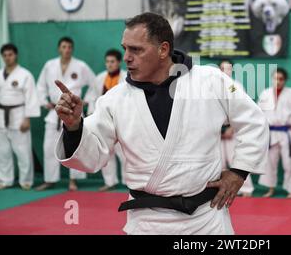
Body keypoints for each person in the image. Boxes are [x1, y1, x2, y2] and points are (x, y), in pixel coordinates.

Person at [53, 12, 269, 235]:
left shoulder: (210, 81)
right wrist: (74, 126)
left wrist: (239, 171)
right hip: (147, 223)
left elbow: (254, 121)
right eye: (125, 48)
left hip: (206, 219)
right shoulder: (114, 99)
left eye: (136, 49)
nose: (126, 57)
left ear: (163, 50)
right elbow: (92, 158)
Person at [35, 37, 95, 191]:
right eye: (64, 46)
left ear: (72, 49)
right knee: (49, 147)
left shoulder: (80, 66)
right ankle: (50, 179)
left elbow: (94, 83)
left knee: (75, 146)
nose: (67, 49)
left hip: (73, 112)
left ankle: (73, 179)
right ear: (59, 48)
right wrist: (43, 101)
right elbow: (40, 86)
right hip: (54, 111)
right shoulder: (49, 65)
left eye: (69, 47)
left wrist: (87, 100)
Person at [258, 68, 291, 198]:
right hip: (271, 131)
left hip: (287, 131)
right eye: (275, 78)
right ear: (272, 79)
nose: (278, 81)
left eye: (281, 79)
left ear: (285, 80)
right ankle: (270, 188)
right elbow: (259, 112)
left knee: (289, 162)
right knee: (270, 162)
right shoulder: (265, 94)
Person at [0, 44, 40, 190]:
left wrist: (27, 118)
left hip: (19, 115)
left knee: (22, 150)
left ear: (16, 55)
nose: (7, 58)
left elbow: (31, 97)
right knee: (2, 151)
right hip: (1, 115)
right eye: (5, 55)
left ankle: (26, 180)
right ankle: (5, 180)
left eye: (10, 54)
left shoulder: (25, 75)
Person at [84, 49, 127, 191]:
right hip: (104, 121)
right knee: (106, 153)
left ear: (119, 62)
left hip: (122, 121)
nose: (109, 64)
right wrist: (91, 115)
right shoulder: (100, 78)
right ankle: (110, 182)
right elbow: (92, 98)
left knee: (126, 154)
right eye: (107, 62)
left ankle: (129, 183)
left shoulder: (127, 78)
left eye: (112, 62)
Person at [219, 59, 255, 197]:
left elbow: (241, 109)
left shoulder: (235, 86)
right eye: (223, 68)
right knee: (218, 161)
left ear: (232, 70)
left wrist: (232, 128)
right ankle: (221, 188)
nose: (225, 71)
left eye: (228, 68)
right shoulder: (211, 86)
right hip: (215, 130)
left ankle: (246, 189)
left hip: (232, 128)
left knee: (236, 158)